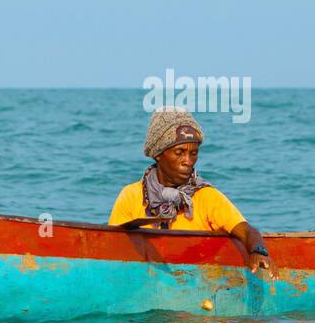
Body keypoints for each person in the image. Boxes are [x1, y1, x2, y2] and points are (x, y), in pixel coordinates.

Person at [109, 109, 275, 276]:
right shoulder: (131, 195)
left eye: (193, 153)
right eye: (179, 153)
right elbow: (111, 247)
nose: (188, 161)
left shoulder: (206, 197)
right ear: (158, 154)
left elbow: (247, 230)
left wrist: (259, 251)